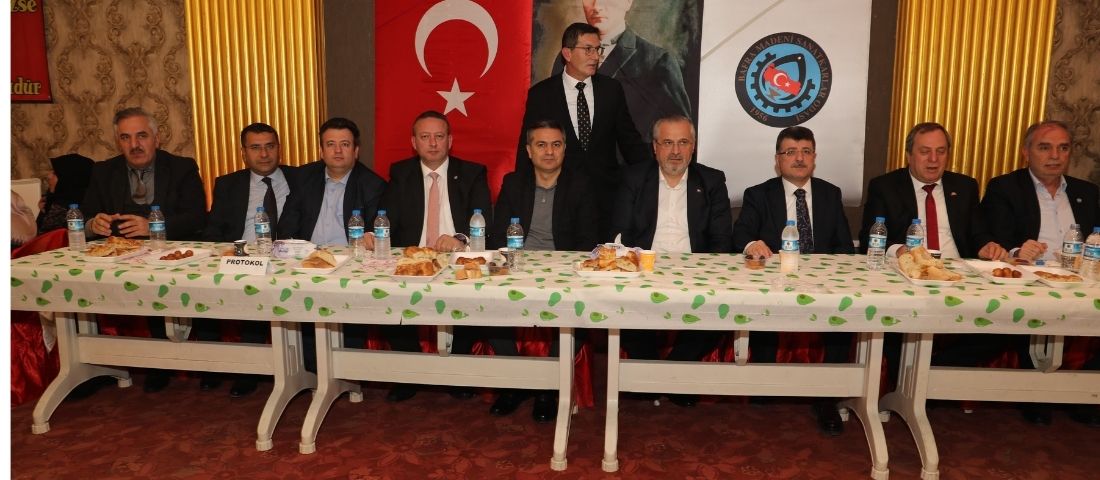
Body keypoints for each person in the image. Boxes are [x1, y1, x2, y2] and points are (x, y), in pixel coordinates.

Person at [859, 122, 1009, 394]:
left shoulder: (965, 186)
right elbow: (870, 236)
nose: (933, 159)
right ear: (909, 155)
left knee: (1002, 321)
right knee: (891, 319)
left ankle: (928, 376)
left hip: (957, 277)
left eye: (941, 151)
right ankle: (909, 387)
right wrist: (900, 250)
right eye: (925, 151)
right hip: (910, 277)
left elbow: (978, 234)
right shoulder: (885, 186)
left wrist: (986, 246)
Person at [731, 126, 854, 436]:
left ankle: (827, 398)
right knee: (762, 305)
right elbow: (741, 234)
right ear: (778, 160)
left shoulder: (830, 194)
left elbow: (844, 248)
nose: (799, 158)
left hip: (822, 282)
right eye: (791, 152)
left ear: (814, 157)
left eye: (806, 152)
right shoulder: (758, 194)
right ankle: (763, 388)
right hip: (774, 281)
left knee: (845, 311)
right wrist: (752, 244)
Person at [980, 120, 1100, 426]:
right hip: (1029, 278)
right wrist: (1018, 252)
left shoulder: (1087, 192)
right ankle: (1035, 392)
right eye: (1045, 147)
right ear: (1026, 152)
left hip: (1079, 279)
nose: (1055, 156)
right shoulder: (1005, 188)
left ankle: (1082, 393)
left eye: (1063, 148)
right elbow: (993, 239)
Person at [610, 114, 732, 407]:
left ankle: (671, 370)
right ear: (655, 147)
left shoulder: (712, 181)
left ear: (693, 147)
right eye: (667, 143)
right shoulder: (633, 178)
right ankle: (659, 372)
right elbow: (620, 234)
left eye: (683, 142)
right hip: (644, 269)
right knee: (618, 302)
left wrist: (705, 275)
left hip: (696, 271)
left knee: (723, 306)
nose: (675, 151)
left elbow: (721, 242)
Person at [83, 106, 207, 393]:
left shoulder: (182, 168)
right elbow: (86, 216)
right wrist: (93, 223)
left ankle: (174, 359)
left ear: (156, 138)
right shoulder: (103, 171)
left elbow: (197, 217)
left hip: (171, 253)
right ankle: (105, 362)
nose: (134, 145)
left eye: (141, 136)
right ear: (118, 142)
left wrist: (153, 226)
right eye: (125, 138)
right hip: (120, 257)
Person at [487, 119, 599, 422]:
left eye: (556, 144)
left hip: (565, 272)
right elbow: (498, 238)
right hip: (519, 268)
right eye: (541, 145)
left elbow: (587, 242)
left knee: (579, 309)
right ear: (529, 150)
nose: (549, 152)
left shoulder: (581, 184)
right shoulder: (514, 183)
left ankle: (548, 389)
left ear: (564, 149)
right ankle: (515, 382)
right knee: (486, 304)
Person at [378, 110, 492, 403]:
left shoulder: (472, 172)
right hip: (414, 258)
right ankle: (410, 370)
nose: (432, 143)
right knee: (382, 292)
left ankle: (458, 370)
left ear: (450, 141)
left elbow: (484, 220)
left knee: (474, 291)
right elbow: (386, 220)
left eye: (439, 136)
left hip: (456, 258)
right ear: (413, 142)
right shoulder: (401, 173)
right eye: (425, 137)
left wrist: (459, 239)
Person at [519, 22, 650, 242]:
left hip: (606, 197)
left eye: (597, 49)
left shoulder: (611, 90)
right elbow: (528, 147)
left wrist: (653, 176)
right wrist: (521, 192)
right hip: (561, 198)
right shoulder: (542, 94)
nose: (595, 56)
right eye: (588, 49)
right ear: (567, 53)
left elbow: (630, 142)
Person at [194, 122, 298, 397]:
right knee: (203, 285)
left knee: (258, 287)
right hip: (239, 256)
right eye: (255, 148)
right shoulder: (228, 184)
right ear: (243, 153)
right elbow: (214, 230)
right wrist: (221, 254)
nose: (264, 154)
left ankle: (248, 371)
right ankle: (211, 365)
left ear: (279, 149)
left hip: (285, 260)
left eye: (270, 146)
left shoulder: (300, 178)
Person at [278, 117, 386, 372]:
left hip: (349, 264)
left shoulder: (372, 184)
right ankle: (308, 371)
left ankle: (348, 373)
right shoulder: (303, 177)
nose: (337, 151)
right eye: (331, 144)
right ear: (321, 150)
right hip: (306, 260)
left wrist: (370, 236)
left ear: (356, 151)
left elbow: (376, 231)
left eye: (345, 144)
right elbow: (287, 224)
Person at [550, 0, 692, 143]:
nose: (597, 6)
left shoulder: (658, 62)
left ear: (627, 2)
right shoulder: (566, 58)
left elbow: (679, 134)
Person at [36, 153, 95, 234]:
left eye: (55, 173)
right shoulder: (54, 201)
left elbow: (37, 237)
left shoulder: (66, 211)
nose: (49, 176)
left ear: (69, 180)